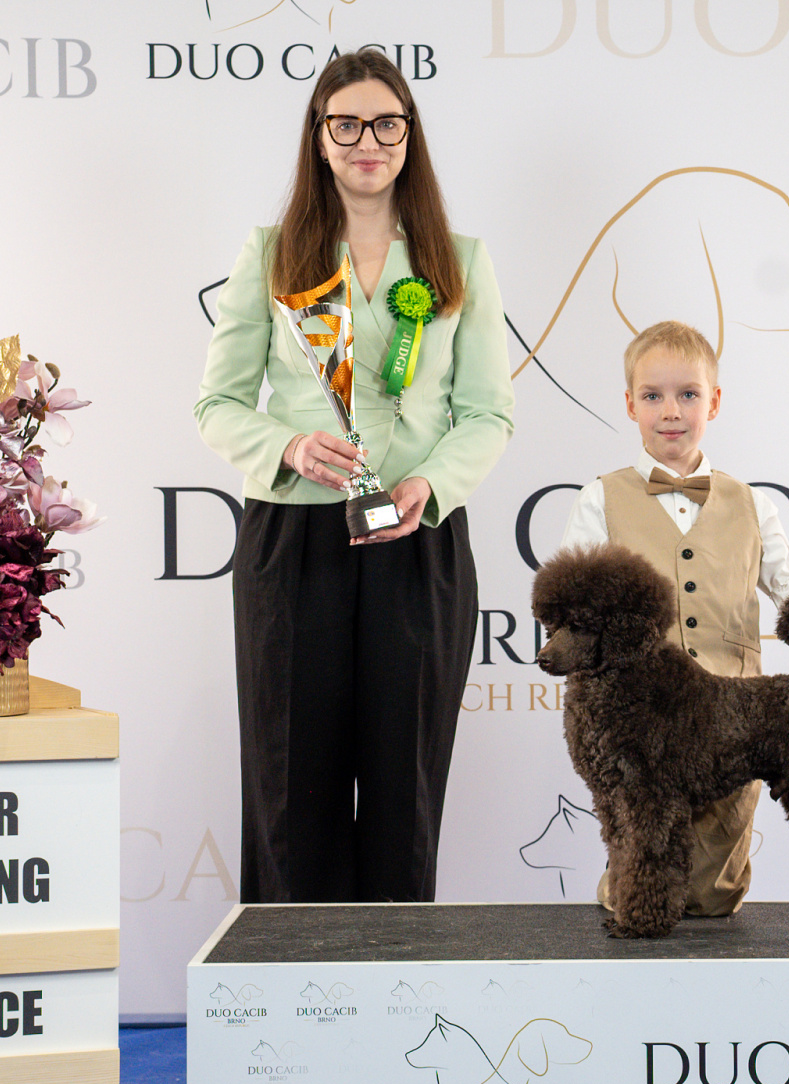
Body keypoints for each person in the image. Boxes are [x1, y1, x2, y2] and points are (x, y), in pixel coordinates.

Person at [195, 49, 514, 904]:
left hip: (418, 539)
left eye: (386, 123)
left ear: (409, 135)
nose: (367, 141)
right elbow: (218, 405)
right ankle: (291, 979)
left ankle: (396, 974)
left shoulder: (459, 259)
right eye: (347, 124)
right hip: (295, 540)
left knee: (406, 792)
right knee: (290, 790)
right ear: (319, 137)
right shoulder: (271, 254)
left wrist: (431, 485)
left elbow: (488, 413)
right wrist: (289, 448)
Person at [559, 320, 789, 918]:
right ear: (629, 405)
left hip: (734, 729)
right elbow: (575, 612)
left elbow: (788, 590)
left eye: (688, 394)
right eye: (652, 396)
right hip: (642, 725)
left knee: (710, 897)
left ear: (715, 402)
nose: (670, 411)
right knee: (640, 856)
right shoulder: (598, 500)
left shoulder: (754, 503)